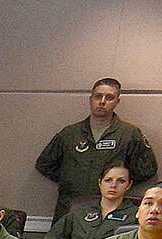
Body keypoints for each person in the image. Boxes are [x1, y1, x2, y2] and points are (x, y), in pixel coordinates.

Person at [36, 78, 157, 220]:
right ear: (90, 99)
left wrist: (119, 184)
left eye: (109, 98)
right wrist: (70, 179)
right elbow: (44, 164)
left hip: (110, 210)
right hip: (69, 207)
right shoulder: (70, 133)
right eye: (98, 96)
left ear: (117, 102)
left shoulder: (129, 134)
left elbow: (147, 169)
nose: (102, 102)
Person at [48, 160, 136, 239]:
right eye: (108, 180)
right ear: (100, 183)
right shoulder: (79, 213)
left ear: (129, 185)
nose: (113, 185)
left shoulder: (137, 215)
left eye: (121, 181)